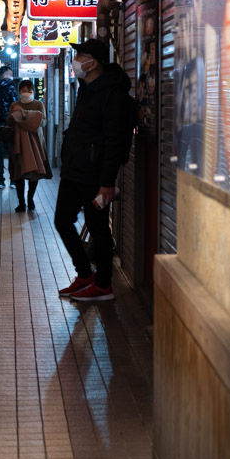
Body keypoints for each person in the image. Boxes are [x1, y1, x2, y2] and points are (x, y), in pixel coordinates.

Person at [55, 38, 139, 301]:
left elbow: (113, 141)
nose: (77, 60)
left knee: (98, 227)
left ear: (95, 63)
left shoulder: (112, 94)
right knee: (62, 220)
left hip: (94, 174)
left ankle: (103, 285)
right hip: (74, 170)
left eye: (81, 56)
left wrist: (107, 181)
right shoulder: (85, 89)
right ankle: (84, 274)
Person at [10, 78, 49, 212]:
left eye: (29, 91)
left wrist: (26, 115)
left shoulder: (38, 104)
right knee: (19, 173)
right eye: (24, 90)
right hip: (19, 143)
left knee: (35, 171)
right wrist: (15, 113)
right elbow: (9, 122)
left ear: (33, 92)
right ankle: (21, 202)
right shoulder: (14, 104)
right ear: (19, 91)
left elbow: (43, 122)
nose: (26, 93)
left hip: (36, 142)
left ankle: (30, 198)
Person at [0, 65, 20, 189]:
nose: (11, 76)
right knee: (12, 152)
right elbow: (16, 105)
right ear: (4, 74)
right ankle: (13, 180)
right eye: (10, 74)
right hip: (10, 123)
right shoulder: (11, 87)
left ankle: (0, 181)